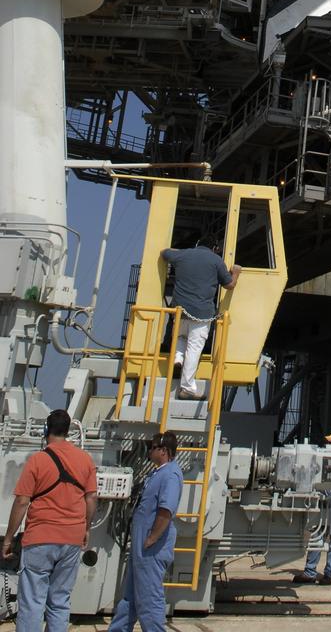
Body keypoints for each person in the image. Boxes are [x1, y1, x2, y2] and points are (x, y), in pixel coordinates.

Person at [1, 408, 97, 632]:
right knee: (60, 601)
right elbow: (91, 497)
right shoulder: (85, 460)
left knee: (33, 601)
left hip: (40, 538)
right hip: (72, 538)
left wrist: (8, 539)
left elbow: (22, 502)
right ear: (68, 432)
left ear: (46, 430)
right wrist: (86, 527)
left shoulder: (38, 460)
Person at [108, 431, 183, 632]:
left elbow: (166, 510)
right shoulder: (157, 473)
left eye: (153, 448)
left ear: (164, 451)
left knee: (149, 599)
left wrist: (152, 537)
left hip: (151, 548)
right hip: (141, 547)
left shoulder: (171, 475)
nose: (149, 451)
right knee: (130, 598)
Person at [161, 238, 241, 399]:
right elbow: (229, 285)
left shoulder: (183, 255)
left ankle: (178, 358)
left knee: (180, 336)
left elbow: (164, 253)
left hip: (179, 310)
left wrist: (181, 252)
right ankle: (188, 388)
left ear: (197, 244)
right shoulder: (216, 261)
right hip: (202, 313)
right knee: (194, 348)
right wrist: (236, 272)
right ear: (215, 248)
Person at [292, 431, 331, 587]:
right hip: (322, 502)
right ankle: (310, 572)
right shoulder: (322, 459)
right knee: (317, 536)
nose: (329, 444)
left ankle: (329, 574)